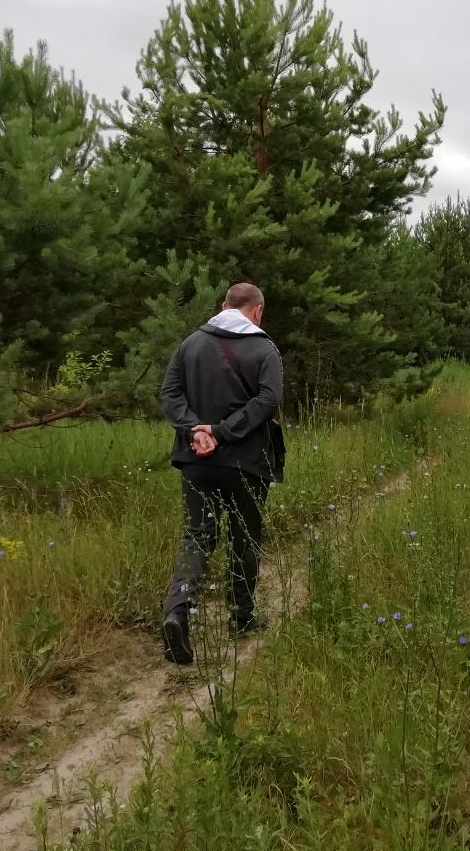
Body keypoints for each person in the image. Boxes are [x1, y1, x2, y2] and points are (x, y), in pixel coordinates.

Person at [158, 282, 285, 665]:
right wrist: (223, 432)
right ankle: (242, 619)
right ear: (258, 310)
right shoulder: (265, 349)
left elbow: (169, 394)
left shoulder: (190, 344)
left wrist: (196, 429)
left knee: (198, 536)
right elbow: (268, 399)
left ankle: (176, 611)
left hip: (196, 460)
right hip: (245, 461)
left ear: (223, 305)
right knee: (244, 536)